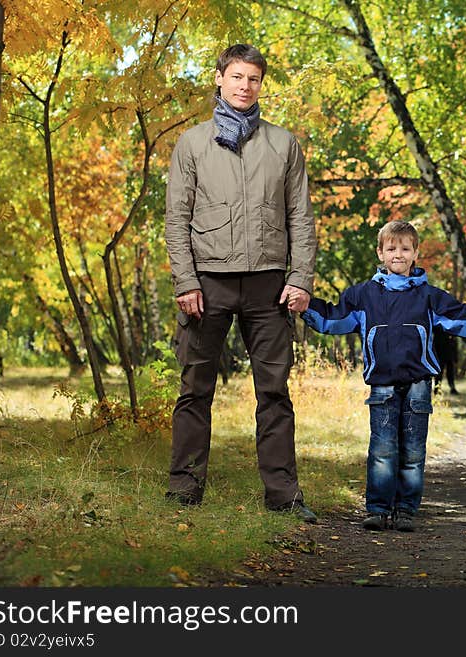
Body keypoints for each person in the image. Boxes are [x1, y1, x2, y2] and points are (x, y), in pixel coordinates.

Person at [164, 44, 318, 523]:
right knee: (195, 388)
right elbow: (176, 219)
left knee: (274, 392)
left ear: (260, 84)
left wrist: (301, 278)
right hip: (206, 284)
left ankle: (283, 495)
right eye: (236, 76)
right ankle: (184, 489)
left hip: (269, 286)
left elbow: (301, 217)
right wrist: (186, 281)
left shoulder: (283, 144)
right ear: (219, 79)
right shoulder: (191, 143)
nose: (244, 86)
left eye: (253, 78)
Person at [302, 221, 466, 531]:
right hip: (382, 383)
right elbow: (333, 318)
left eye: (405, 248)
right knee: (382, 448)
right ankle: (378, 508)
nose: (398, 254)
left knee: (413, 450)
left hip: (419, 384)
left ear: (416, 253)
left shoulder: (430, 297)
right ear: (380, 252)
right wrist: (304, 307)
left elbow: (461, 318)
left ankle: (406, 509)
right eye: (391, 248)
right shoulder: (363, 296)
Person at [432, 325, 459, 394]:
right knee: (439, 372)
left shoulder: (452, 325)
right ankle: (437, 389)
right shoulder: (437, 325)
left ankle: (452, 388)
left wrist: (455, 357)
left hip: (450, 352)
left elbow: (455, 341)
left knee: (450, 372)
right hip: (439, 352)